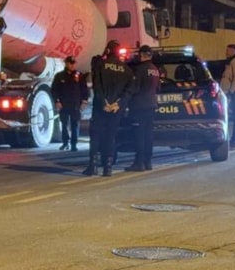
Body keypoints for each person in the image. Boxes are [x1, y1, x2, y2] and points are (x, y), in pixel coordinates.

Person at [84, 40, 135, 177]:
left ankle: (93, 166)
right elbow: (129, 90)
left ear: (107, 50)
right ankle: (108, 168)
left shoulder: (101, 65)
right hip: (116, 109)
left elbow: (97, 85)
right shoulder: (127, 70)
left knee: (95, 136)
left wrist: (104, 103)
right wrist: (118, 104)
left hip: (100, 108)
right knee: (110, 137)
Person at [125, 45, 161, 172]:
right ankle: (148, 161)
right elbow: (158, 88)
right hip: (151, 105)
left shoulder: (140, 69)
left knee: (139, 135)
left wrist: (125, 98)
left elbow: (135, 87)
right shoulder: (155, 69)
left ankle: (139, 162)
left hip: (139, 106)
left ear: (142, 55)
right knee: (148, 134)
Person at [52, 56, 89, 152]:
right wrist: (57, 101)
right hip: (64, 104)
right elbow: (54, 90)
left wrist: (84, 101)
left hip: (75, 104)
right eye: (70, 63)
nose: (72, 65)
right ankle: (65, 142)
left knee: (75, 124)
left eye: (74, 63)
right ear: (66, 63)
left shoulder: (79, 75)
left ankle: (74, 144)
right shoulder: (59, 76)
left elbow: (84, 89)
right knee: (64, 124)